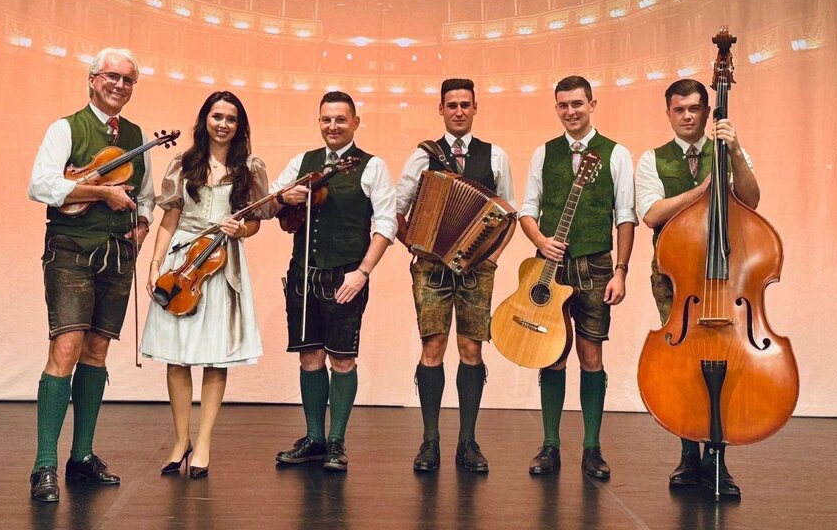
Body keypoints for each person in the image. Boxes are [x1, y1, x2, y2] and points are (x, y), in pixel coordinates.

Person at [27, 48, 154, 502]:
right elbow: (41, 186)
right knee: (66, 347)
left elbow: (148, 198)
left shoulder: (139, 136)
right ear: (93, 78)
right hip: (71, 251)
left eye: (128, 79)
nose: (119, 85)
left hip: (118, 256)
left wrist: (141, 227)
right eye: (112, 76)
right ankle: (44, 464)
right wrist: (100, 193)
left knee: (97, 351)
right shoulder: (66, 127)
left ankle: (81, 457)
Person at [634, 78, 759, 497]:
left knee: (726, 362)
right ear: (668, 113)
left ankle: (718, 457)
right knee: (685, 366)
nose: (687, 116)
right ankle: (689, 456)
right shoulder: (651, 159)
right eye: (679, 109)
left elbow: (752, 198)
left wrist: (735, 149)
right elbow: (651, 215)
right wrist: (702, 191)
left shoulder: (726, 152)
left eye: (694, 108)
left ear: (708, 112)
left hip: (726, 278)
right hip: (675, 278)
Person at [141, 91, 272, 479]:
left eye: (231, 118)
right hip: (183, 261)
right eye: (217, 116)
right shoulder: (184, 163)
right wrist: (155, 264)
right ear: (205, 120)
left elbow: (256, 221)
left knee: (216, 357)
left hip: (221, 261)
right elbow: (170, 216)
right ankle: (180, 441)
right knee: (176, 355)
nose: (223, 124)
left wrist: (241, 228)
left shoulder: (250, 166)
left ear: (239, 125)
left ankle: (204, 444)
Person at [269, 91, 396, 472]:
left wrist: (363, 273)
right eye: (326, 119)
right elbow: (269, 203)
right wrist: (283, 196)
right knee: (310, 357)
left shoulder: (373, 167)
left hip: (346, 275)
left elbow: (386, 225)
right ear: (319, 121)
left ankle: (337, 441)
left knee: (342, 359)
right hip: (303, 275)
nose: (333, 126)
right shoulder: (301, 162)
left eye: (340, 119)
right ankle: (314, 438)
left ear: (355, 123)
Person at [393, 78, 516, 473]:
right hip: (431, 269)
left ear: (476, 107)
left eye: (465, 104)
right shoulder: (422, 155)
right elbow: (395, 208)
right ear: (441, 109)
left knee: (472, 350)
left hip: (477, 270)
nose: (459, 111)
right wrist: (414, 244)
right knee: (431, 349)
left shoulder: (495, 155)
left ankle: (468, 441)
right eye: (452, 105)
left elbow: (508, 214)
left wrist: (493, 257)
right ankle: (430, 441)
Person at [518, 75, 636, 477]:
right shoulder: (544, 153)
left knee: (591, 355)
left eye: (578, 104)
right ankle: (550, 444)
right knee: (549, 355)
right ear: (557, 108)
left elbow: (624, 217)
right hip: (550, 267)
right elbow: (527, 209)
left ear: (592, 104)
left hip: (596, 265)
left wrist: (620, 271)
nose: (571, 111)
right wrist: (540, 238)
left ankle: (591, 447)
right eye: (563, 105)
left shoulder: (616, 154)